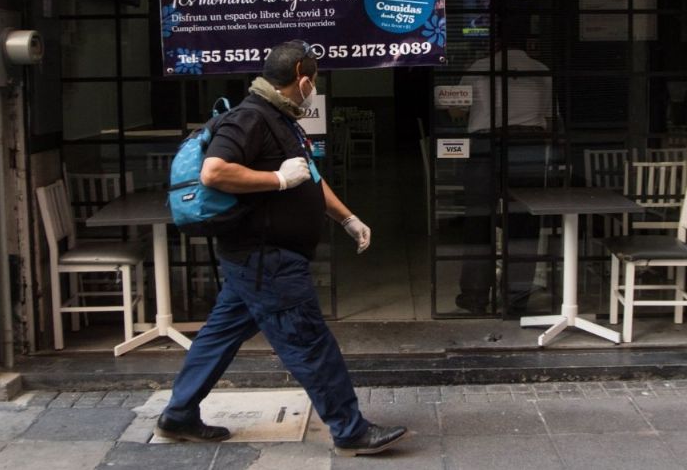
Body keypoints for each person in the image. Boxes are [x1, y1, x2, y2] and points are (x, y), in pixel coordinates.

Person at [154, 41, 409, 457]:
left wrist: (347, 218)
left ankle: (179, 414)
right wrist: (276, 180)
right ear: (303, 79)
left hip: (251, 263)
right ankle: (350, 430)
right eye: (314, 81)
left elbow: (307, 175)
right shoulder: (250, 117)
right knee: (309, 342)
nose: (314, 87)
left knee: (217, 338)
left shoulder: (283, 119)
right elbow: (214, 171)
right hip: (266, 258)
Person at [449, 38, 554, 316]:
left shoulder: (479, 67)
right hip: (529, 145)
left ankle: (475, 296)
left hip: (486, 144)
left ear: (492, 45)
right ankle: (516, 297)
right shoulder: (541, 70)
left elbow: (457, 111)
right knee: (523, 220)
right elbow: (548, 116)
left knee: (479, 219)